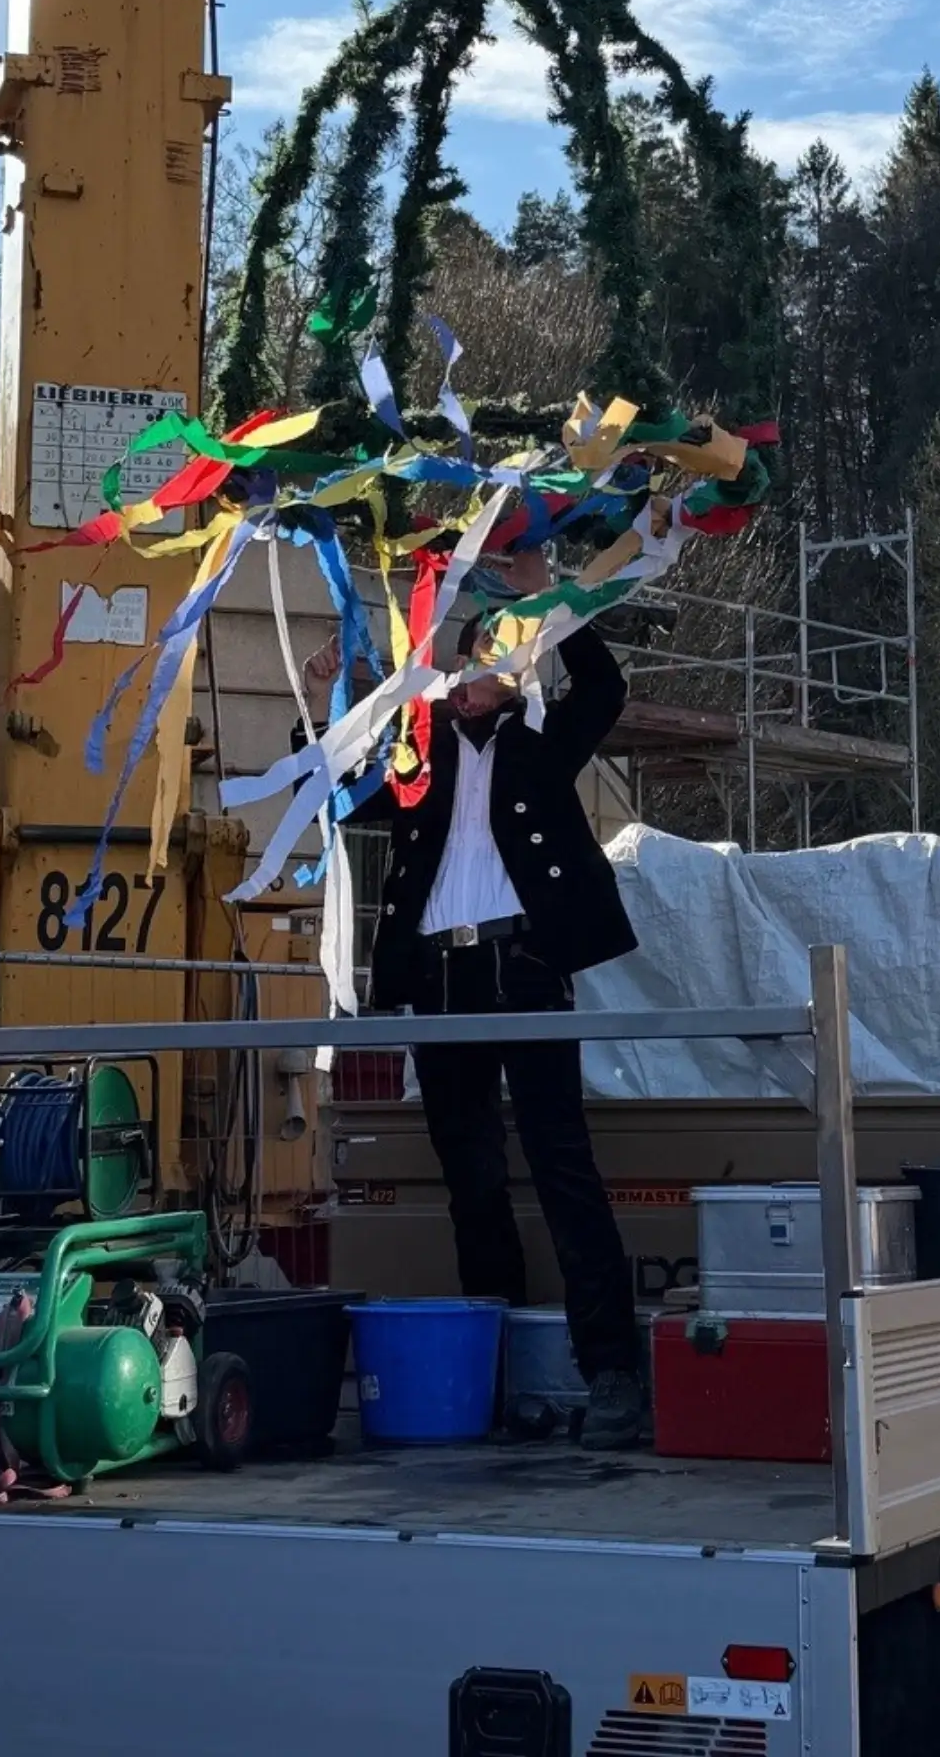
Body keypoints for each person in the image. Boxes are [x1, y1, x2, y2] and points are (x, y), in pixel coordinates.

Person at [303, 547, 646, 1448]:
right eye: (461, 662)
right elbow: (344, 795)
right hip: (441, 977)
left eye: (488, 662)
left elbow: (605, 691)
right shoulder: (419, 757)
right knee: (472, 1178)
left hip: (524, 965)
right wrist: (327, 698)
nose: (468, 678)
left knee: (563, 1167)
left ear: (516, 672)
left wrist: (553, 599)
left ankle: (613, 1371)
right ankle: (492, 1375)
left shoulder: (541, 748)